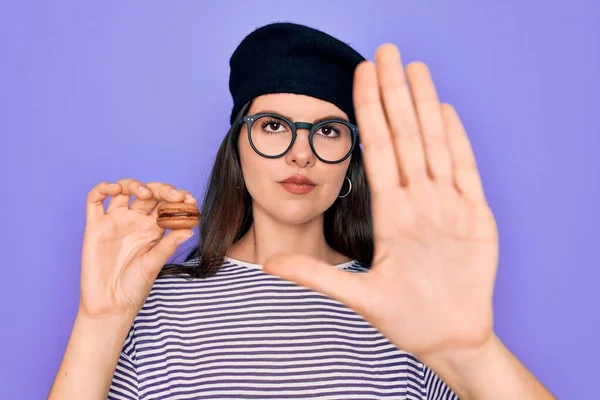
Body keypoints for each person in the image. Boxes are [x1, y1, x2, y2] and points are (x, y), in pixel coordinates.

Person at [49, 22, 555, 399]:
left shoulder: (405, 302)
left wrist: (473, 351)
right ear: (237, 146)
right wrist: (101, 317)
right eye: (273, 125)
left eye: (328, 131)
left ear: (352, 159)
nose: (300, 152)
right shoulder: (155, 301)